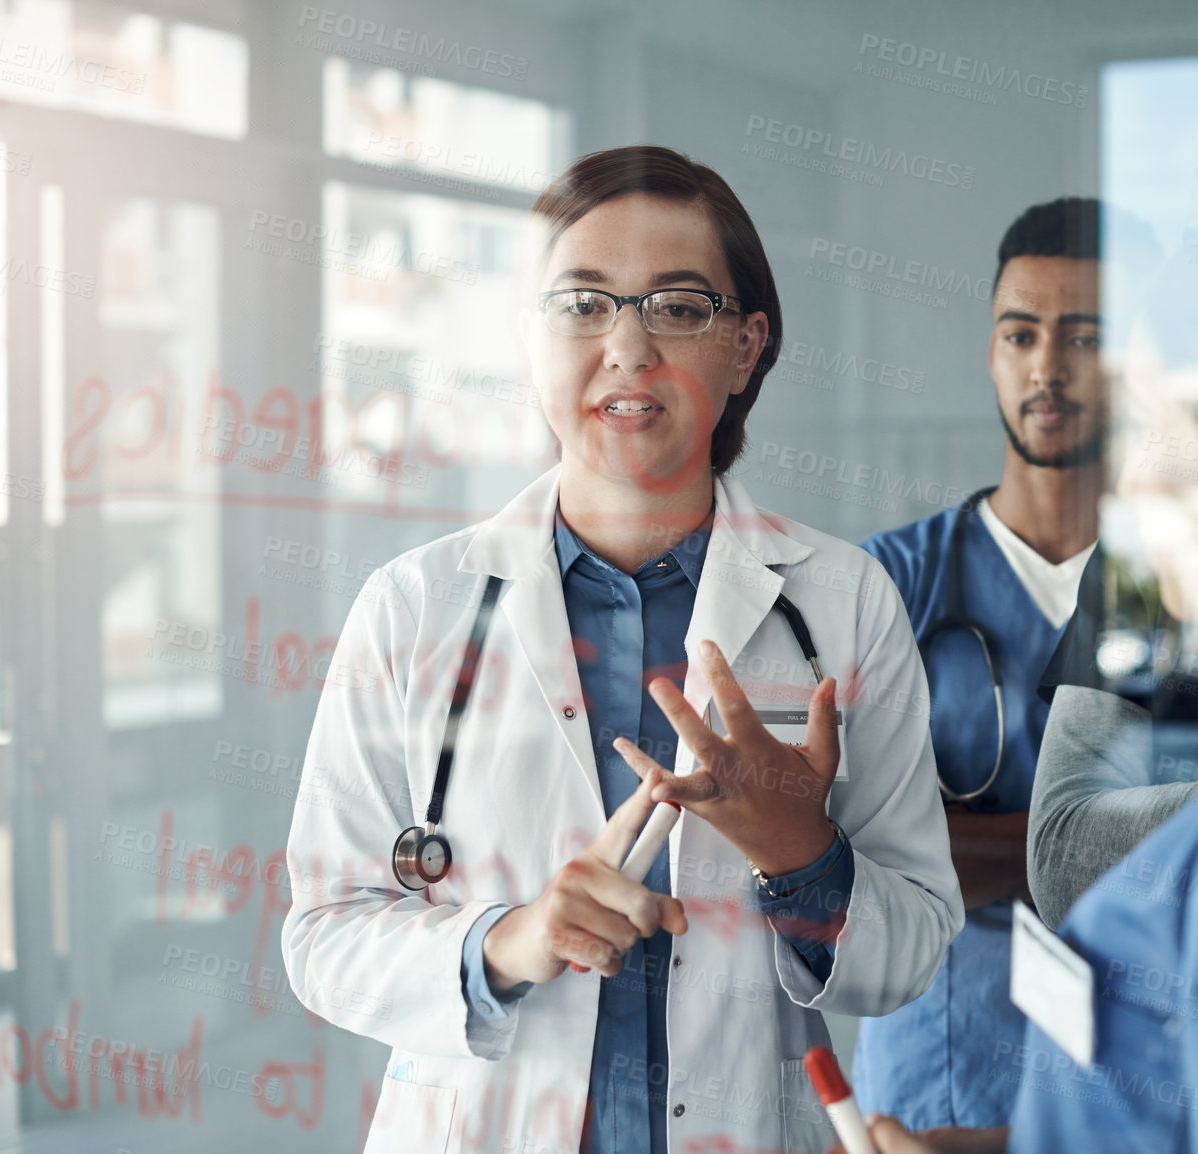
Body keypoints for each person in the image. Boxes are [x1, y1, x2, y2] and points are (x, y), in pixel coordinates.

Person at [281, 144, 962, 1154]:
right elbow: (323, 934)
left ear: (747, 346)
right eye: (581, 303)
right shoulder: (413, 607)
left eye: (680, 306)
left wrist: (802, 858)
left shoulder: (843, 601)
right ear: (529, 339)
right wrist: (507, 940)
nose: (628, 347)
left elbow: (908, 949)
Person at [850, 198, 1198, 1131]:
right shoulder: (886, 582)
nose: (1047, 366)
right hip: (941, 1087)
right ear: (992, 351)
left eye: (1085, 336)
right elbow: (853, 853)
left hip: (1146, 1078)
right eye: (1020, 333)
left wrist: (968, 842)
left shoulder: (1197, 581)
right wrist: (1091, 840)